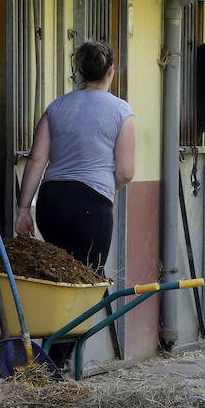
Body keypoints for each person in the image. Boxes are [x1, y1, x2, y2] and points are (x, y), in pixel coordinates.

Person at [14, 40, 135, 275]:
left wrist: (23, 209)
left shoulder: (56, 108)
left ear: (80, 71)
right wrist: (104, 186)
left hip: (51, 203)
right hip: (92, 205)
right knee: (86, 279)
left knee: (55, 275)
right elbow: (125, 172)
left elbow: (36, 160)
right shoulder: (121, 112)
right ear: (111, 71)